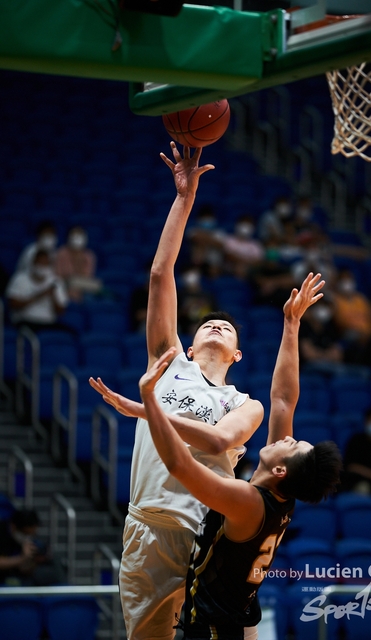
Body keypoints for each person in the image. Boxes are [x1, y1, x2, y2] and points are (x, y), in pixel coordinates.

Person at [89, 143, 263, 640]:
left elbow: (215, 442)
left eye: (228, 328)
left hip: (209, 530)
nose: (217, 325)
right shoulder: (167, 364)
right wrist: (184, 200)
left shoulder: (243, 403)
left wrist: (142, 410)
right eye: (209, 322)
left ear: (237, 355)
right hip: (147, 523)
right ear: (189, 341)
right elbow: (160, 274)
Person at [136, 273, 342, 640]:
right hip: (238, 616)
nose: (288, 438)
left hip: (217, 628)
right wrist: (291, 324)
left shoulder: (248, 500)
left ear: (280, 468)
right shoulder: (278, 493)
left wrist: (146, 405)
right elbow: (282, 402)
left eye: (292, 444)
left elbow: (181, 464)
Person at [6, 249, 69, 332]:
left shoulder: (56, 281)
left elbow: (61, 311)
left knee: (69, 333)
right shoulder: (20, 279)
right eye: (40, 263)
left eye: (45, 264)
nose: (42, 267)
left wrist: (53, 295)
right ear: (33, 263)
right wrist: (40, 295)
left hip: (47, 322)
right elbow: (12, 305)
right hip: (25, 321)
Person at [0, 509, 65, 586]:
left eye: (32, 534)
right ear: (14, 527)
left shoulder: (28, 541)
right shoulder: (2, 532)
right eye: (26, 533)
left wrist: (36, 560)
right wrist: (22, 558)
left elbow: (25, 569)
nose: (28, 537)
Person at [55, 225, 101, 301]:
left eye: (79, 235)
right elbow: (58, 276)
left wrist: (78, 262)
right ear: (69, 237)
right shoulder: (61, 253)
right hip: (63, 290)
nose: (77, 238)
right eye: (74, 236)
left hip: (83, 291)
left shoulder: (89, 256)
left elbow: (87, 278)